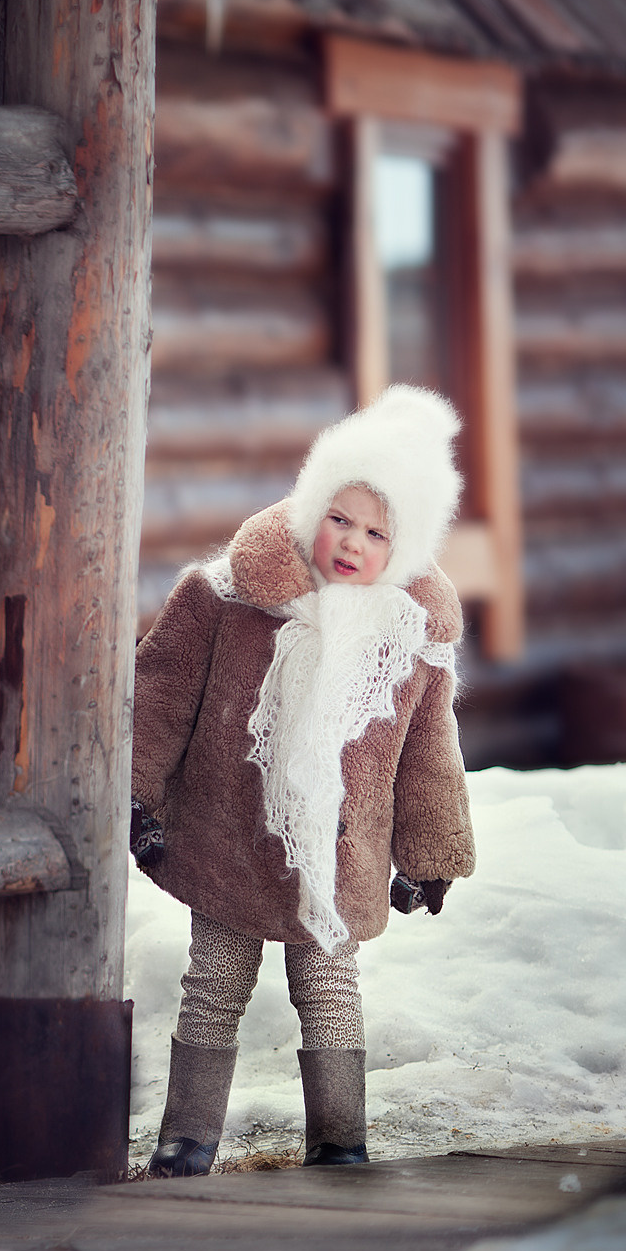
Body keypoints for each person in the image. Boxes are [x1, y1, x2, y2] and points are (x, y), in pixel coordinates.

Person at [129, 384, 475, 1176]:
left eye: (378, 531)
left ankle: (340, 1139)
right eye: (339, 516)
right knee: (215, 980)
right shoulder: (226, 598)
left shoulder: (410, 640)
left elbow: (428, 751)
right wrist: (138, 793)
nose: (352, 541)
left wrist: (431, 852)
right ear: (310, 506)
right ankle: (187, 1138)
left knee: (329, 987)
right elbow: (161, 692)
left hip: (337, 856)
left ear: (408, 545)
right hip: (228, 838)